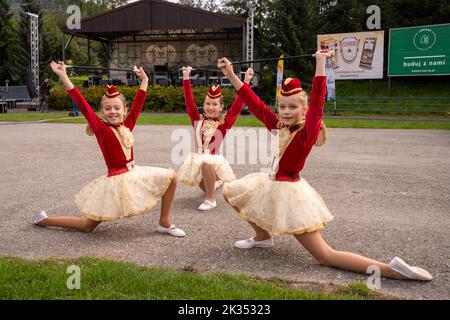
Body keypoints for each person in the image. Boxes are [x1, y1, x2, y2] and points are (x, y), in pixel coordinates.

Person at [217, 52, 432, 281]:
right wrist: (230, 73)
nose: (287, 112)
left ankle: (391, 270)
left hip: (290, 195)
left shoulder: (306, 133)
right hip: (269, 184)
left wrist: (321, 63)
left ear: (304, 109)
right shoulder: (279, 125)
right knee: (232, 192)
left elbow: (319, 101)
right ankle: (262, 237)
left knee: (325, 256)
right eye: (283, 107)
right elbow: (254, 102)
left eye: (293, 107)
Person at [33, 61, 185, 237]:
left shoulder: (127, 125)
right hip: (115, 181)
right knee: (87, 226)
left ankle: (164, 222)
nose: (113, 111)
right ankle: (44, 220)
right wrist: (64, 76)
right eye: (108, 108)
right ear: (102, 111)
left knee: (172, 177)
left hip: (134, 173)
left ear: (124, 110)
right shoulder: (101, 129)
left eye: (117, 108)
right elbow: (82, 104)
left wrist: (144, 80)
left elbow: (138, 105)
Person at [177, 66, 254, 211]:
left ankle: (211, 199)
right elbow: (189, 101)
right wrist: (186, 77)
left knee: (207, 164)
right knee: (202, 184)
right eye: (207, 103)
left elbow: (238, 105)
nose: (210, 107)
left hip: (213, 160)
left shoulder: (223, 123)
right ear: (204, 105)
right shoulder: (197, 119)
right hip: (197, 158)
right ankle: (216, 183)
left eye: (214, 104)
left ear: (220, 107)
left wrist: (246, 82)